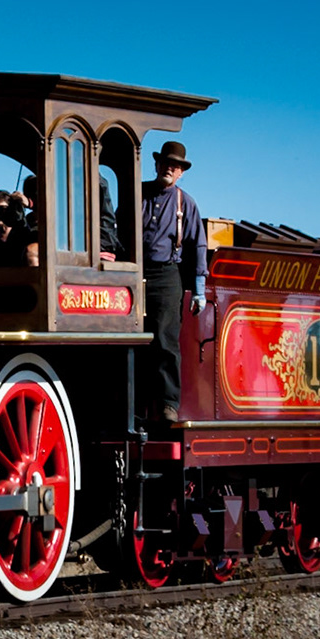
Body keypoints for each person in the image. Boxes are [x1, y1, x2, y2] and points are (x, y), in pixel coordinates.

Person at [140, 141, 205, 426]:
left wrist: (199, 289)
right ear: (156, 165)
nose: (169, 168)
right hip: (135, 272)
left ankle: (168, 403)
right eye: (165, 162)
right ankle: (136, 403)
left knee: (166, 342)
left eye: (175, 166)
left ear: (180, 172)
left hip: (168, 276)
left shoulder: (185, 203)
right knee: (135, 340)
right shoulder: (138, 193)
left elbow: (198, 245)